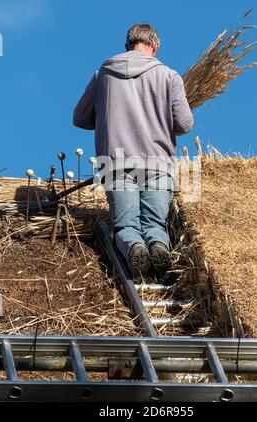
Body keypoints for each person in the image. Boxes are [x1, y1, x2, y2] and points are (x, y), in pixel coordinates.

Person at [73, 23, 194, 280]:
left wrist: (110, 116)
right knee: (154, 224)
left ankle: (134, 249)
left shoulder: (103, 74)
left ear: (127, 45)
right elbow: (184, 124)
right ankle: (158, 247)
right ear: (155, 46)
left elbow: (80, 118)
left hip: (115, 162)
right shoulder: (169, 76)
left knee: (126, 225)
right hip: (157, 162)